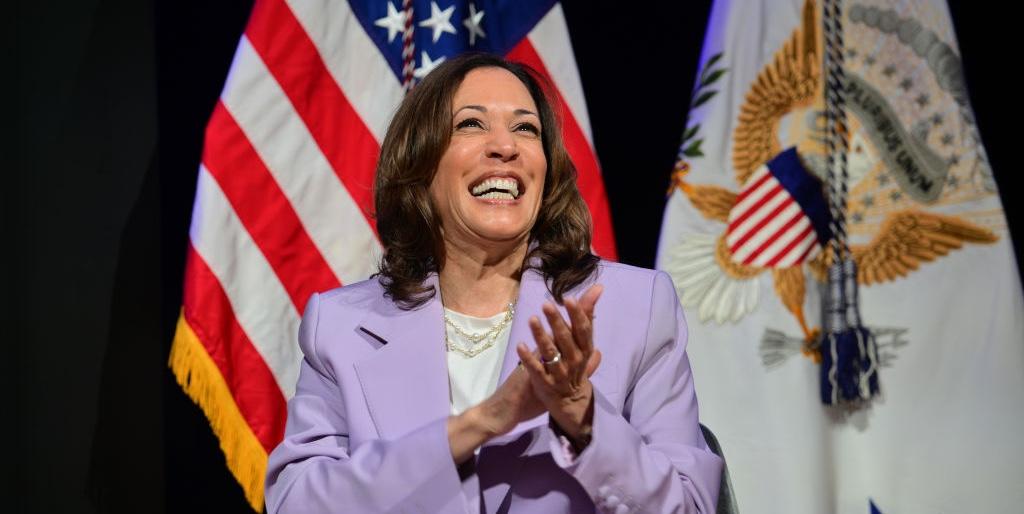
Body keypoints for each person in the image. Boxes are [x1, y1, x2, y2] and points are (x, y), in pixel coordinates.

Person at [264, 53, 722, 513]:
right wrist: (481, 423)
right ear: (422, 166)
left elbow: (691, 506)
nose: (505, 146)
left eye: (526, 129)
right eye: (471, 125)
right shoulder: (343, 326)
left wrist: (585, 420)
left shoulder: (634, 309)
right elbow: (297, 503)